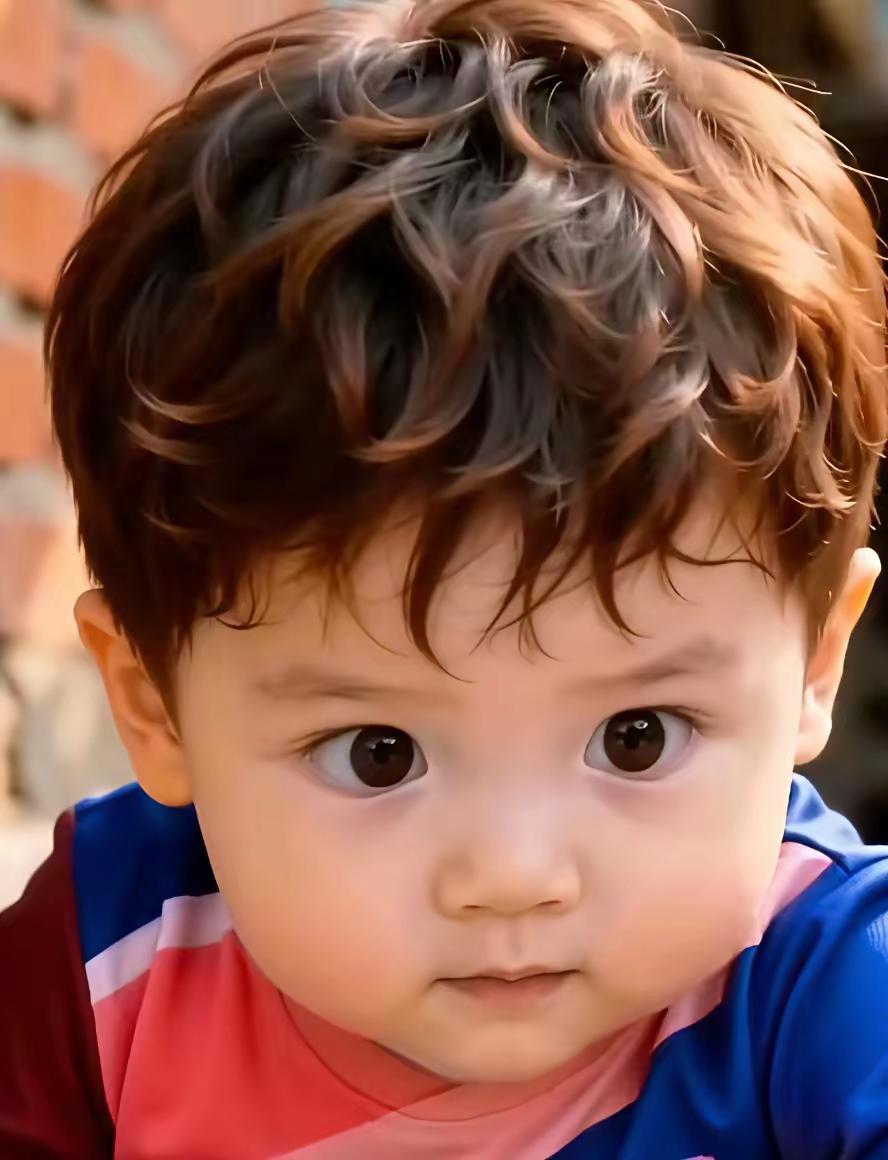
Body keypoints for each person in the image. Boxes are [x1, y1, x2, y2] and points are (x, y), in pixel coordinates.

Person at [2, 0, 887, 1155]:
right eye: (379, 751)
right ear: (153, 703)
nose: (512, 876)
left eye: (637, 737)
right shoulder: (106, 955)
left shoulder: (826, 981)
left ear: (816, 663)